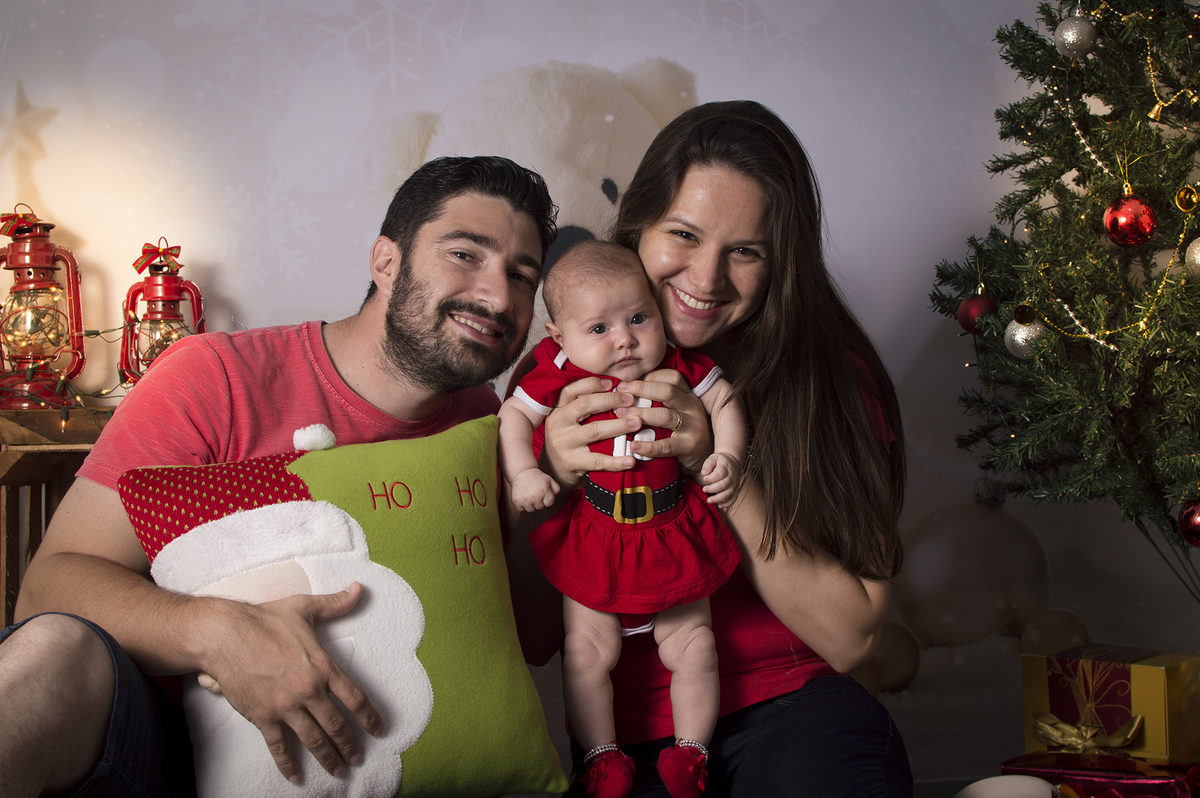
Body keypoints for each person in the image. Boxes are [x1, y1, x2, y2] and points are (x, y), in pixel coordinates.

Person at [0, 155, 559, 798]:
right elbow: (48, 590)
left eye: (523, 275)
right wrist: (220, 634)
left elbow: (535, 640)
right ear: (385, 262)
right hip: (162, 748)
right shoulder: (213, 377)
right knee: (49, 660)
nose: (498, 296)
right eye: (465, 254)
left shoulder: (491, 426)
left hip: (384, 756)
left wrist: (548, 483)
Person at [526, 101, 912, 796]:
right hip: (625, 732)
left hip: (795, 704)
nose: (706, 279)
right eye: (683, 235)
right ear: (637, 225)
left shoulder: (829, 380)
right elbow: (530, 634)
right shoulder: (564, 380)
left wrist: (711, 461)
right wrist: (548, 475)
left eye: (745, 251)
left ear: (781, 263)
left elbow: (853, 637)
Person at [498, 240, 746, 798]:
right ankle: (602, 759)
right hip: (596, 532)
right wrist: (524, 474)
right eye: (599, 329)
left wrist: (725, 455)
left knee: (695, 647)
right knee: (587, 654)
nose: (626, 339)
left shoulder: (674, 364)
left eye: (638, 318)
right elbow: (513, 414)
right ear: (558, 337)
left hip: (670, 529)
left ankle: (692, 756)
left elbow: (726, 399)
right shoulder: (556, 372)